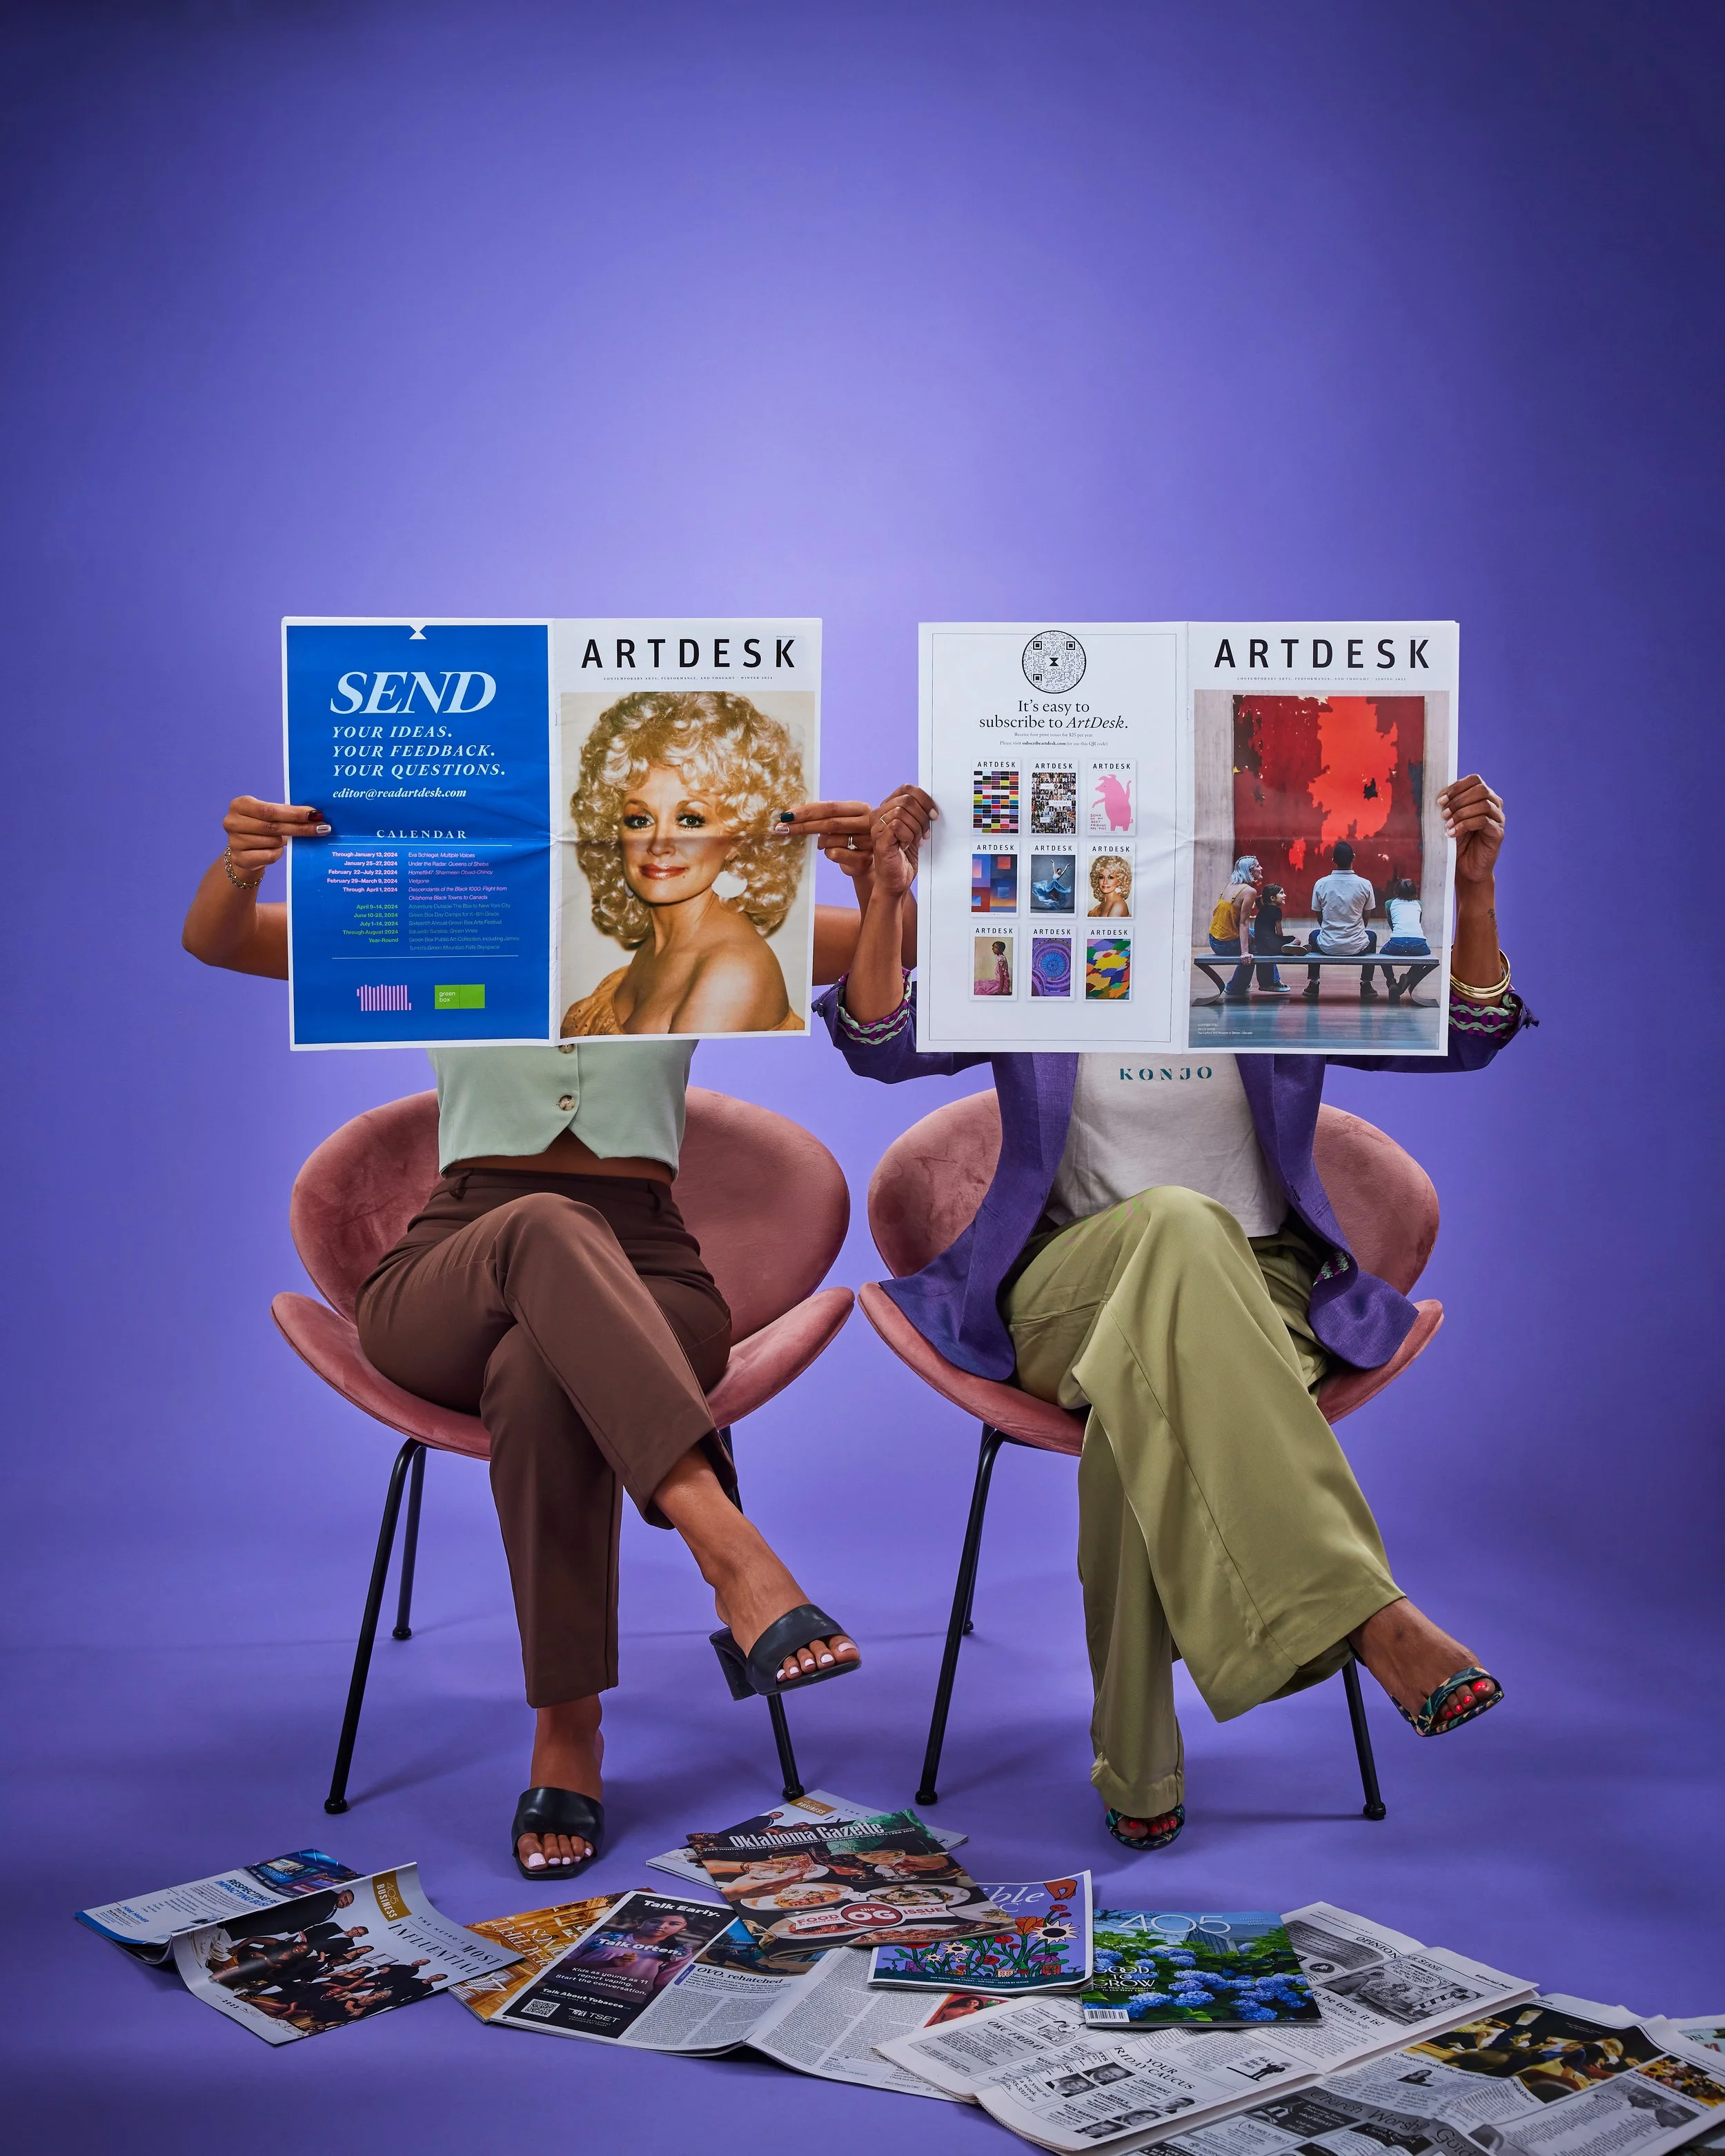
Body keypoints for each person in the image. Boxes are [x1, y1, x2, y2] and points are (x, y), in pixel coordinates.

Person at [182, 791, 911, 1878]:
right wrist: (242, 864)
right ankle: (726, 1542)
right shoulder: (435, 914)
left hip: (651, 1269)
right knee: (541, 1224)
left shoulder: (703, 924)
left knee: (540, 1372)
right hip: (456, 1262)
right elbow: (222, 941)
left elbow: (877, 980)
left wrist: (880, 886)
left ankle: (568, 1728)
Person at [822, 775, 1525, 1852]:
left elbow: (1469, 1034)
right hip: (1064, 1285)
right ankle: (1364, 1609)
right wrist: (885, 896)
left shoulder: (1275, 956)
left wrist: (1471, 888)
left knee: (1141, 1396)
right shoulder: (1032, 946)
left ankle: (1136, 1761)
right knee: (1175, 1228)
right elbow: (878, 1044)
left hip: (1266, 1296)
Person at [561, 690, 807, 1036]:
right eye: (639, 820)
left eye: (690, 820)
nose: (660, 845)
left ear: (739, 838)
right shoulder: (657, 949)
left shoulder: (732, 972)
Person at [1304, 840, 1381, 1000]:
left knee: (1313, 935)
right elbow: (1366, 918)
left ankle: (1314, 983)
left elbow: (1320, 918)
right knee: (1372, 936)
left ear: (1333, 861)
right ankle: (1366, 985)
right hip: (1357, 946)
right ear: (1354, 857)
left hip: (1327, 946)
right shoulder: (1365, 884)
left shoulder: (1321, 884)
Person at [1208, 858, 1285, 997]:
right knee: (1261, 946)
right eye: (1257, 866)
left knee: (1263, 936)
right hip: (1225, 943)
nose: (1261, 868)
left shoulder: (1232, 885)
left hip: (1215, 938)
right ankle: (1262, 983)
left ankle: (1243, 983)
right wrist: (1245, 952)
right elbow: (1243, 923)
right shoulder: (1249, 891)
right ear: (1250, 871)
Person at [1381, 876, 1437, 1001]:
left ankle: (1392, 983)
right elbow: (1418, 922)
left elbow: (1392, 924)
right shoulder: (1419, 904)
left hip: (1397, 942)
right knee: (1426, 956)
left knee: (1382, 954)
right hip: (1418, 942)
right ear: (1414, 891)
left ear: (1397, 891)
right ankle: (1409, 976)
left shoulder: (1389, 903)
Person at [1248, 880, 1303, 990]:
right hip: (1272, 944)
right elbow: (1279, 933)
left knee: (1280, 942)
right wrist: (1282, 941)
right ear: (1273, 898)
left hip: (1261, 946)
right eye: (1282, 893)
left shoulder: (1262, 909)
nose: (1285, 895)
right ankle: (1288, 947)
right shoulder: (1277, 911)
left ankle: (1287, 948)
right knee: (1296, 939)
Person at [1088, 855, 1132, 919]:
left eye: (1110, 877)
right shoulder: (1105, 901)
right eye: (1101, 877)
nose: (1105, 882)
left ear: (1120, 880)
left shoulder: (1118, 907)